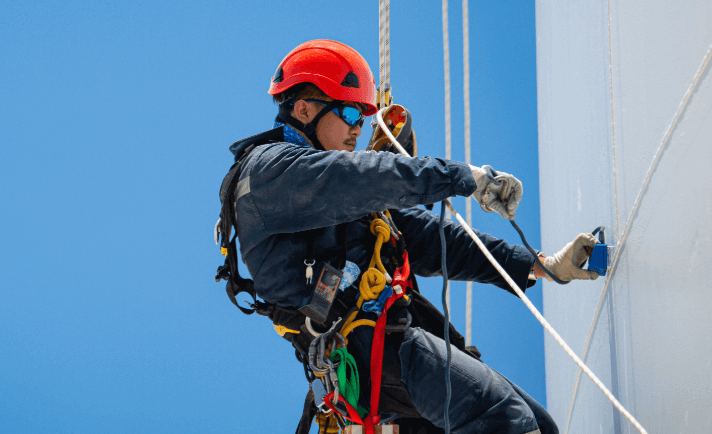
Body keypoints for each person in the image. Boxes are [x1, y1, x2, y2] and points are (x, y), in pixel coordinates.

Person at [215, 39, 599, 434]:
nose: (357, 129)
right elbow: (363, 177)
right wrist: (463, 177)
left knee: (538, 424)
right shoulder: (268, 173)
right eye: (349, 113)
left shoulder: (337, 197)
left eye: (363, 119)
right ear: (304, 110)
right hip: (368, 350)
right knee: (502, 417)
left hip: (393, 348)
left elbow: (431, 239)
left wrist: (539, 265)